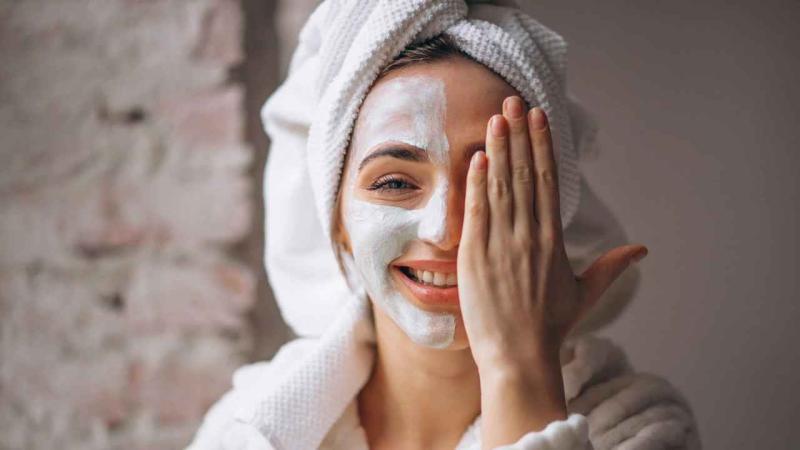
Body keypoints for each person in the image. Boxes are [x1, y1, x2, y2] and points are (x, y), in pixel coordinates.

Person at [187, 1, 701, 449]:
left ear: (552, 211)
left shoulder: (638, 427)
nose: (445, 230)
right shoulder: (242, 431)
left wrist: (519, 367)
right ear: (336, 221)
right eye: (394, 182)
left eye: (491, 181)